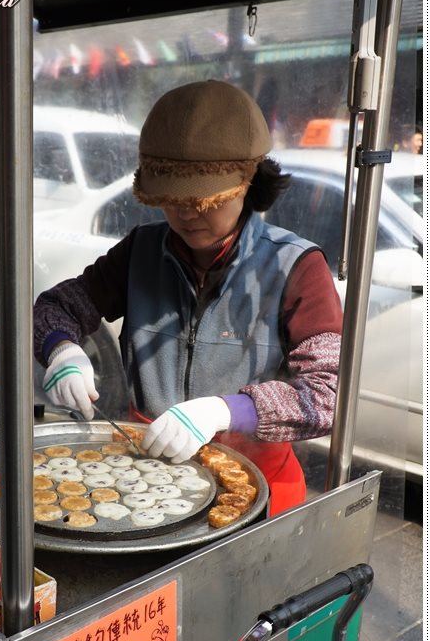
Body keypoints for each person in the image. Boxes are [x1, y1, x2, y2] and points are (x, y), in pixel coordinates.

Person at [34, 81, 343, 515]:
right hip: (144, 479)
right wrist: (62, 350)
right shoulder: (139, 253)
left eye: (205, 198)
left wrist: (226, 411)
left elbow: (328, 395)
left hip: (257, 488)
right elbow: (55, 307)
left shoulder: (294, 267)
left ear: (247, 183)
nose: (187, 213)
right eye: (172, 198)